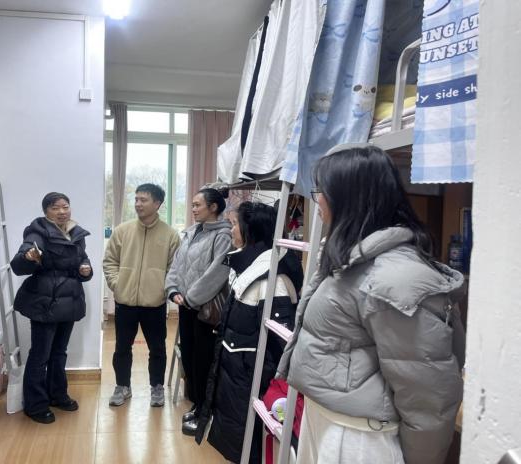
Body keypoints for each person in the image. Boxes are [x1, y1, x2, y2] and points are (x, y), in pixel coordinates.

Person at [276, 145, 465, 464]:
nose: (317, 200)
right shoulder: (348, 257)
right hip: (330, 421)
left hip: (360, 439)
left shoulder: (394, 276)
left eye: (322, 191)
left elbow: (428, 396)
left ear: (350, 197)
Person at [196, 201, 303, 463]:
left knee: (251, 447)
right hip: (238, 377)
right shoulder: (248, 268)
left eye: (235, 224)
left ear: (252, 231)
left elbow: (280, 348)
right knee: (239, 444)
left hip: (251, 379)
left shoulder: (274, 280)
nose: (231, 230)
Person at [11, 192, 92, 424]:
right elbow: (19, 263)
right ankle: (35, 404)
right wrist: (28, 257)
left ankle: (57, 395)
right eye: (55, 208)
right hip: (45, 301)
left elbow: (82, 259)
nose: (62, 211)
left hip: (70, 300)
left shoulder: (76, 232)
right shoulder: (37, 231)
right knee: (40, 354)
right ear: (46, 211)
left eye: (65, 206)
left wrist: (85, 268)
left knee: (59, 352)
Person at [103, 183, 180, 408]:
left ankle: (157, 387)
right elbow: (109, 261)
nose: (138, 204)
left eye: (143, 200)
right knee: (122, 348)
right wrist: (117, 284)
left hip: (154, 304)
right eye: (136, 199)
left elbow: (175, 269)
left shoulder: (170, 235)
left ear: (157, 204)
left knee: (157, 349)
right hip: (125, 301)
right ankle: (122, 386)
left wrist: (162, 290)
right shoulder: (122, 230)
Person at [165, 188, 232, 435]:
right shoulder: (191, 232)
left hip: (205, 309)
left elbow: (217, 273)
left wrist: (191, 298)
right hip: (185, 306)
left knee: (204, 360)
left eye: (197, 205)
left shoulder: (224, 235)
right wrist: (172, 290)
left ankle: (205, 410)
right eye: (192, 205)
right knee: (190, 358)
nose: (193, 209)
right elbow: (176, 265)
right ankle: (197, 404)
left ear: (213, 207)